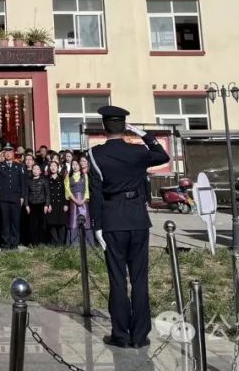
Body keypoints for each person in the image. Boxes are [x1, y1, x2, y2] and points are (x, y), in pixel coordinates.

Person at [88, 106, 169, 350]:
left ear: (104, 128)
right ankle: (140, 335)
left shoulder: (94, 154)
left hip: (112, 219)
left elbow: (96, 192)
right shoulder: (139, 151)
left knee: (117, 280)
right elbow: (162, 156)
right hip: (137, 218)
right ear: (125, 127)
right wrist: (144, 135)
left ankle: (120, 334)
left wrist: (97, 225)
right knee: (140, 278)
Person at [0, 144, 25, 249]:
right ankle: (6, 243)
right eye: (6, 152)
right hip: (4, 198)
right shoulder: (0, 165)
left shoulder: (18, 166)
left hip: (16, 198)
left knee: (15, 222)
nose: (8, 154)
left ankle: (14, 243)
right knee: (5, 222)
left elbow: (22, 183)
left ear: (13, 153)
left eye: (10, 152)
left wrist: (22, 196)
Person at [65, 157, 93, 245]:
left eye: (76, 164)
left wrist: (83, 200)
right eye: (73, 165)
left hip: (84, 201)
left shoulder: (84, 175)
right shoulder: (68, 177)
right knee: (74, 221)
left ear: (79, 165)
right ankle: (74, 243)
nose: (75, 166)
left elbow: (87, 189)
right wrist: (75, 200)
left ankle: (87, 243)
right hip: (73, 202)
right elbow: (67, 190)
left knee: (85, 220)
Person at [44, 160, 68, 246]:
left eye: (54, 166)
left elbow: (66, 192)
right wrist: (48, 204)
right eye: (51, 166)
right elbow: (46, 193)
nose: (53, 167)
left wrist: (66, 204)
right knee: (52, 224)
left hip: (61, 203)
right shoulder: (47, 179)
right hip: (51, 204)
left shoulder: (62, 178)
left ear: (58, 168)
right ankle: (55, 243)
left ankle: (61, 243)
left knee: (62, 224)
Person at [25, 163, 47, 246]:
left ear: (40, 171)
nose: (35, 171)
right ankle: (34, 242)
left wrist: (47, 205)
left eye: (37, 169)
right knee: (32, 225)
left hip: (41, 204)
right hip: (32, 205)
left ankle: (41, 242)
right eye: (34, 169)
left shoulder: (44, 180)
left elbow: (47, 193)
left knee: (42, 224)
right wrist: (26, 205)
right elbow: (26, 194)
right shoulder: (28, 181)